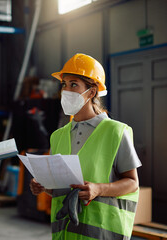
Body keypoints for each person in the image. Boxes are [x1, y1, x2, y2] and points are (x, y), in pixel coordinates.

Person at [30, 53, 141, 239]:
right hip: (64, 234)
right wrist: (44, 187)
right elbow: (63, 187)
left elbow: (132, 183)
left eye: (74, 84)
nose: (66, 90)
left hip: (102, 233)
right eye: (64, 84)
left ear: (91, 92)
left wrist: (99, 189)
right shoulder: (58, 136)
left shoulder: (116, 132)